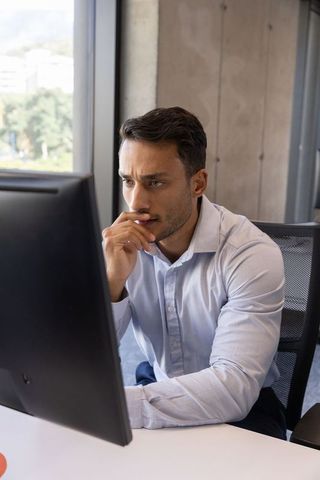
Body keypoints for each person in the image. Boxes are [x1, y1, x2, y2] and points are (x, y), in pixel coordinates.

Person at [102, 106, 286, 439]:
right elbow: (87, 358)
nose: (136, 202)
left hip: (243, 413)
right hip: (158, 385)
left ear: (197, 183)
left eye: (154, 182)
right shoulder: (122, 245)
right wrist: (112, 283)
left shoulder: (251, 254)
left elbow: (233, 388)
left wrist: (114, 407)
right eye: (128, 181)